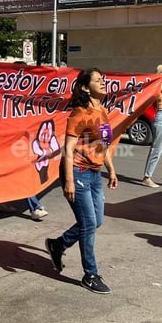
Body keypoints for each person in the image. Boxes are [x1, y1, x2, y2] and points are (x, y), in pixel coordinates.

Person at [44, 68, 118, 294]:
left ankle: (58, 245)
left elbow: (104, 144)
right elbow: (67, 150)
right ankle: (90, 274)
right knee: (88, 224)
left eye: (102, 79)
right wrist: (68, 181)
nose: (103, 83)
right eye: (98, 80)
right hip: (77, 172)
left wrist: (111, 170)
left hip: (95, 174)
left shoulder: (102, 111)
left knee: (97, 221)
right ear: (86, 87)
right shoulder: (79, 113)